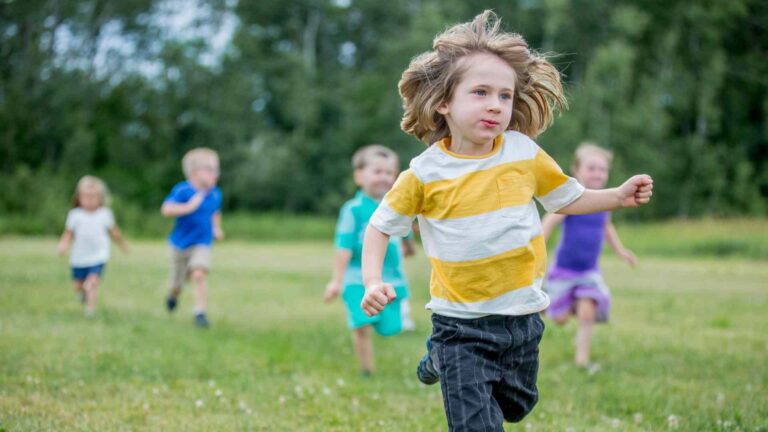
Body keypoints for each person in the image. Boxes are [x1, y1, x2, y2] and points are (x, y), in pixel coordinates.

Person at [359, 10, 653, 431]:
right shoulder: (424, 173)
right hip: (459, 323)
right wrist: (373, 280)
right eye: (480, 92)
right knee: (477, 423)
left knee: (516, 405)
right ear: (444, 101)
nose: (495, 105)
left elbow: (566, 197)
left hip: (522, 315)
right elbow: (380, 226)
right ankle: (447, 355)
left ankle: (441, 361)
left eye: (504, 96)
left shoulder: (522, 152)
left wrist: (617, 196)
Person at [542, 143, 637, 372]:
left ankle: (582, 361)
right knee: (560, 318)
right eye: (591, 168)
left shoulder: (607, 202)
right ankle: (548, 304)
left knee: (588, 310)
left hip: (588, 272)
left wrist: (621, 251)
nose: (597, 173)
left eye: (602, 169)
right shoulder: (571, 201)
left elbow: (607, 229)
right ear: (577, 170)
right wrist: (536, 250)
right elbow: (548, 223)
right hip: (564, 271)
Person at [324, 145, 414, 376]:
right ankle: (367, 370)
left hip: (392, 279)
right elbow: (343, 247)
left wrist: (409, 246)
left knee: (392, 328)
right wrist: (336, 280)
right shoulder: (352, 210)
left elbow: (406, 232)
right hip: (356, 279)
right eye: (377, 171)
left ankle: (380, 323)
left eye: (389, 172)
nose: (384, 177)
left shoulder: (397, 205)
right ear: (359, 176)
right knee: (361, 326)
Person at [161, 147, 223, 328]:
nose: (215, 174)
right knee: (177, 284)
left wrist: (216, 228)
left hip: (202, 242)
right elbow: (166, 209)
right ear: (195, 173)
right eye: (210, 169)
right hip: (179, 245)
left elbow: (215, 212)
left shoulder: (215, 194)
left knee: (199, 274)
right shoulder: (183, 190)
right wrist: (188, 207)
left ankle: (200, 313)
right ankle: (173, 295)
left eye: (216, 169)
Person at [57, 175, 128, 317]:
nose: (90, 200)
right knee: (78, 286)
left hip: (98, 255)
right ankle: (82, 295)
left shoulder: (104, 214)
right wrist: (63, 245)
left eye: (93, 197)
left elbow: (114, 232)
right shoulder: (75, 215)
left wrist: (122, 244)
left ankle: (90, 310)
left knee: (92, 283)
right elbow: (69, 234)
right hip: (79, 257)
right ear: (79, 198)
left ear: (100, 198)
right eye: (86, 197)